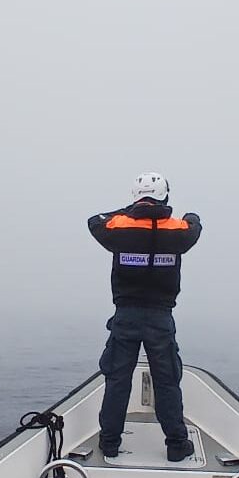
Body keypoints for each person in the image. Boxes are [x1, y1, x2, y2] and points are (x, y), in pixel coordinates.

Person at [88, 172, 202, 461]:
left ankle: (110, 443)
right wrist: (183, 213)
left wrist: (129, 212)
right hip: (160, 318)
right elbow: (194, 224)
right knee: (167, 381)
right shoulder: (179, 230)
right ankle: (176, 444)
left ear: (135, 198)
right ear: (165, 195)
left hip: (125, 315)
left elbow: (94, 221)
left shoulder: (117, 228)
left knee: (118, 380)